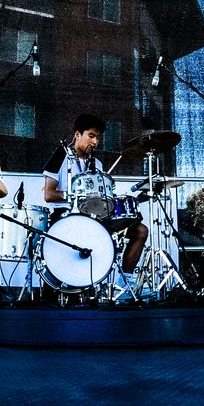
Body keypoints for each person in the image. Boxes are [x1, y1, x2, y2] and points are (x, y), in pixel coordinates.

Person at [41, 113, 147, 288]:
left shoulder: (97, 164)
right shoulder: (60, 156)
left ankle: (125, 282)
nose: (95, 142)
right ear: (77, 134)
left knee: (140, 231)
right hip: (65, 217)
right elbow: (49, 194)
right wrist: (77, 195)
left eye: (98, 138)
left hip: (93, 218)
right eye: (91, 136)